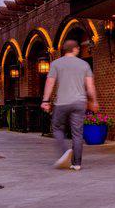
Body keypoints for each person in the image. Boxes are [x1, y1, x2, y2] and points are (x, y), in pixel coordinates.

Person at [41, 39, 99, 171]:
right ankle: (77, 163)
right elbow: (90, 86)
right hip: (79, 103)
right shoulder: (84, 64)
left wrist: (45, 101)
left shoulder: (56, 63)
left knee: (57, 128)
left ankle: (64, 153)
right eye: (78, 48)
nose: (79, 50)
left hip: (62, 102)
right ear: (75, 49)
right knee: (77, 133)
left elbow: (50, 83)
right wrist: (94, 101)